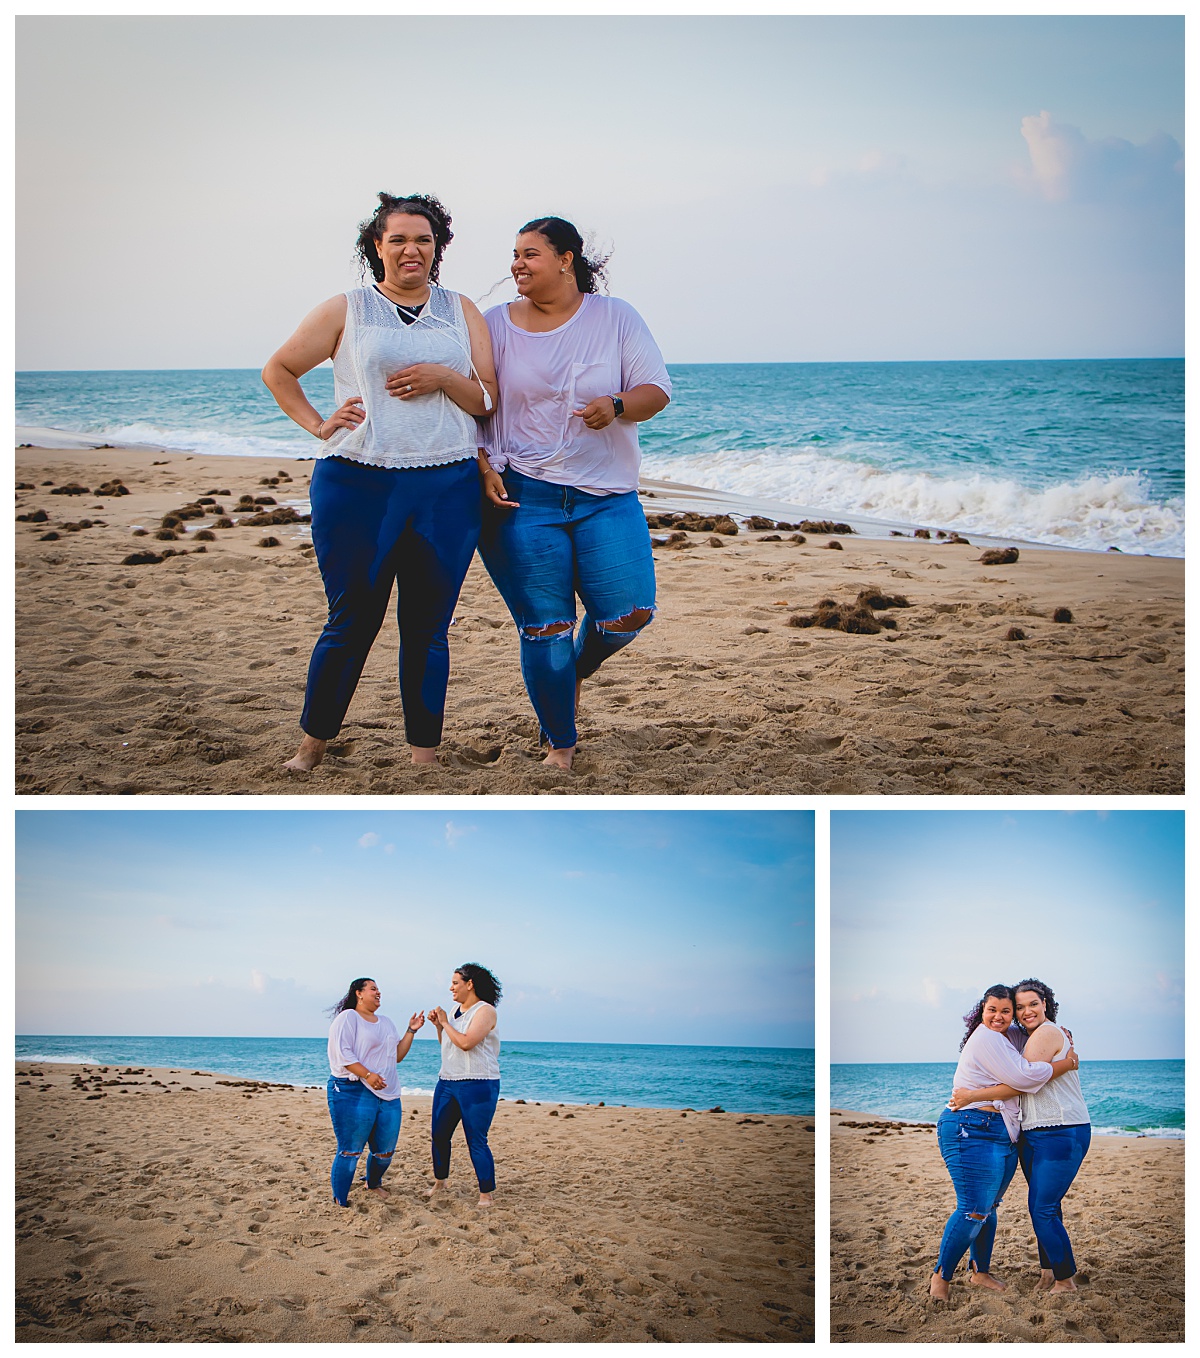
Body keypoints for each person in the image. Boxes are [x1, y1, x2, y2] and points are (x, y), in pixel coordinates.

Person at [262, 192, 498, 773]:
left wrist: (444, 377)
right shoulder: (349, 308)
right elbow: (279, 370)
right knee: (351, 621)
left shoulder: (461, 310)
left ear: (437, 247)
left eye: (423, 239)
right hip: (356, 484)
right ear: (377, 245)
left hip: (446, 487)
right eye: (398, 239)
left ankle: (424, 758)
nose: (411, 249)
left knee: (428, 629)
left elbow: (488, 400)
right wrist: (318, 424)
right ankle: (310, 748)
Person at [476, 216, 672, 769]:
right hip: (521, 495)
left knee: (629, 613)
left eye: (530, 254)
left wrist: (616, 405)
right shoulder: (493, 326)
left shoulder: (614, 317)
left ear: (566, 260)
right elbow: (474, 403)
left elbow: (656, 390)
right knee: (546, 629)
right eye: (515, 254)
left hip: (605, 495)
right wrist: (481, 464)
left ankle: (575, 671)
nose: (517, 264)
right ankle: (560, 746)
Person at [930, 983, 1079, 1301]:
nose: (998, 1016)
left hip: (1001, 1132)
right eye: (992, 1010)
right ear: (981, 1011)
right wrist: (1066, 1063)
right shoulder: (986, 1037)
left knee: (989, 1207)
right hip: (970, 1127)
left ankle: (980, 1272)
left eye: (1006, 1011)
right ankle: (940, 1278)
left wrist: (1060, 1036)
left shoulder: (1007, 1036)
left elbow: (1036, 1041)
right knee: (973, 1209)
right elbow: (1023, 1077)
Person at [326, 977, 425, 1207]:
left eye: (378, 989)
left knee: (385, 1151)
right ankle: (340, 1200)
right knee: (350, 1151)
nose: (378, 992)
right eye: (373, 988)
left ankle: (373, 1183)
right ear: (359, 993)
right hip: (352, 1090)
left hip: (387, 1093)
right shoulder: (348, 1017)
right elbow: (343, 1054)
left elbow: (397, 1056)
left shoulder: (386, 1022)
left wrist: (411, 1030)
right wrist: (368, 1075)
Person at [427, 964, 502, 1207]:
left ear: (470, 984)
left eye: (455, 983)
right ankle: (440, 1182)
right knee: (439, 1135)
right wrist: (440, 1026)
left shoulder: (485, 1011)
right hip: (448, 1081)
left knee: (476, 1140)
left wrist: (445, 1022)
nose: (451, 988)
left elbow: (467, 1043)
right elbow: (449, 1044)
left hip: (478, 1083)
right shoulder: (454, 1011)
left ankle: (486, 1194)